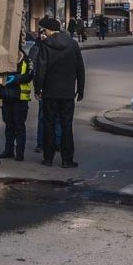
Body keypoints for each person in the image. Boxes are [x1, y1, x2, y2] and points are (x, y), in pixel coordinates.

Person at [33, 17, 86, 168]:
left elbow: (41, 70)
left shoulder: (45, 45)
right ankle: (67, 159)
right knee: (66, 126)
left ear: (49, 30)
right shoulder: (72, 44)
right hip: (68, 93)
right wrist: (80, 89)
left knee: (48, 125)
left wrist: (38, 89)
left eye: (44, 30)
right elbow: (80, 68)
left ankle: (48, 158)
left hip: (50, 92)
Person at [0, 42, 34, 161]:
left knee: (19, 126)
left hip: (20, 97)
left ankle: (20, 152)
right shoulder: (3, 57)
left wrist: (15, 79)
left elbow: (29, 75)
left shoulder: (25, 59)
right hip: (7, 96)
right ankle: (9, 150)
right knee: (9, 125)